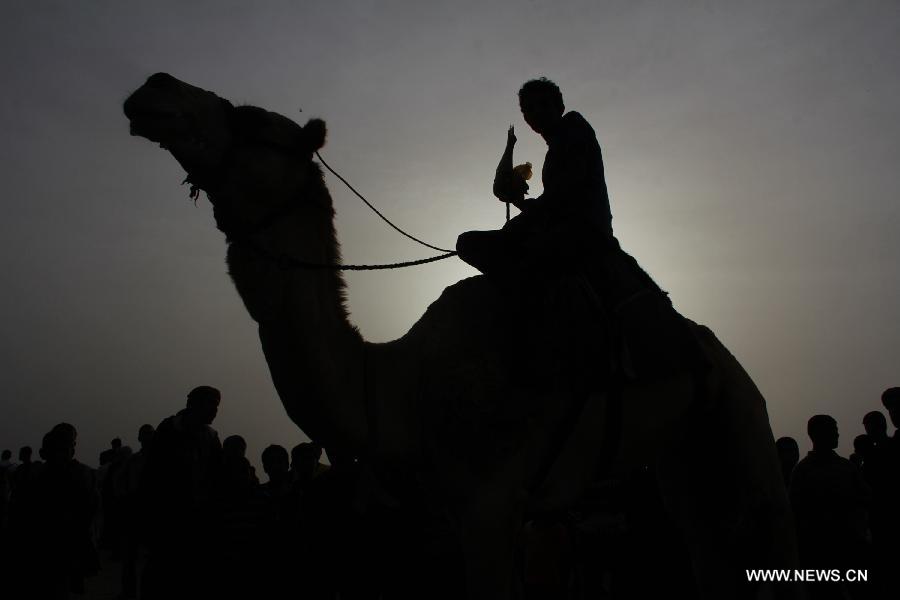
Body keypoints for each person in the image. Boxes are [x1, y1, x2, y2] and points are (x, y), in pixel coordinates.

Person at [457, 77, 698, 383]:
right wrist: (523, 205)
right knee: (472, 244)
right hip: (561, 228)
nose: (536, 113)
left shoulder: (575, 132)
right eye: (529, 108)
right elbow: (556, 200)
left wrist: (525, 207)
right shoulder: (560, 144)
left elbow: (566, 196)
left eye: (542, 105)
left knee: (510, 259)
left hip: (582, 233)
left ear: (559, 106)